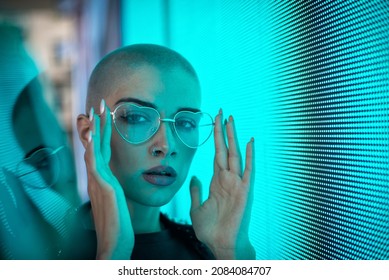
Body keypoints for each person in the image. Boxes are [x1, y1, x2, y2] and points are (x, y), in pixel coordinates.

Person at [76, 44, 255, 259]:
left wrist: (230, 256)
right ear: (88, 133)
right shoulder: (39, 249)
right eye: (137, 118)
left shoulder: (207, 250)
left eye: (186, 123)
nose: (166, 146)